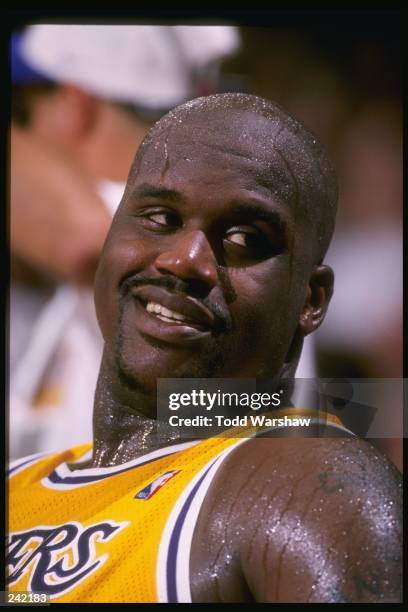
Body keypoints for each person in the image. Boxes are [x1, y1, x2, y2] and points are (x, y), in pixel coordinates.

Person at [7, 94, 401, 603]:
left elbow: (380, 408)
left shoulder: (309, 486)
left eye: (243, 238)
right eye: (159, 218)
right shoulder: (20, 481)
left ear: (311, 299)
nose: (184, 260)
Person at [9, 24, 240, 458]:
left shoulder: (137, 225)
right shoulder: (234, 234)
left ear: (74, 106)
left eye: (23, 113)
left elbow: (77, 234)